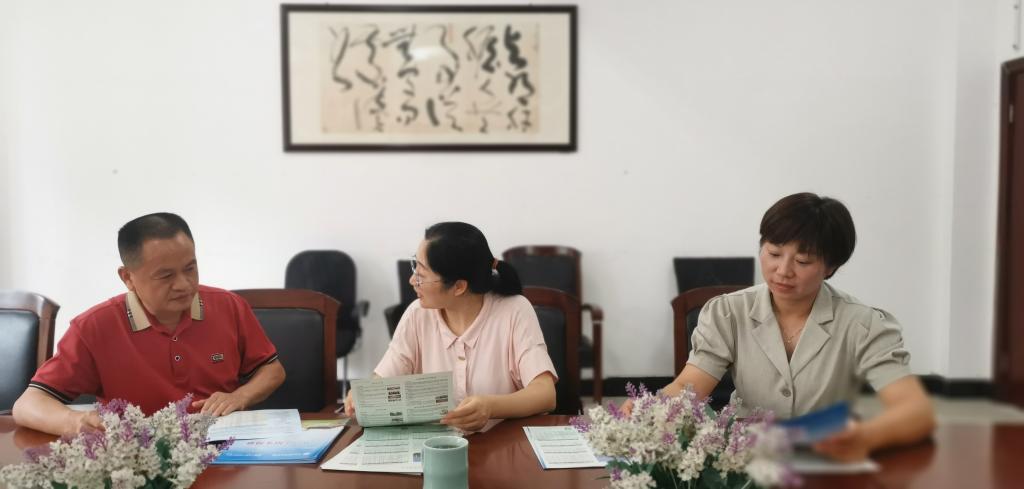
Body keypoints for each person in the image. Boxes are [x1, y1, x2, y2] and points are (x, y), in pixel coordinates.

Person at [626, 193, 935, 462]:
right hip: (744, 458)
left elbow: (916, 412)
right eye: (774, 253)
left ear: (831, 267)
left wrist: (866, 437)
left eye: (803, 261)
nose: (783, 270)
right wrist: (650, 408)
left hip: (827, 457)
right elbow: (689, 388)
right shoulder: (727, 312)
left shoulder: (863, 323)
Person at [12, 213, 286, 436]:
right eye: (165, 276)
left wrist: (240, 396)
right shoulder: (94, 327)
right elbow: (28, 404)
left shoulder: (229, 306)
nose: (184, 284)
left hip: (224, 449)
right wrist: (75, 422)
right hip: (139, 458)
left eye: (190, 268)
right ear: (127, 277)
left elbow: (272, 370)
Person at [345, 222, 557, 432]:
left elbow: (545, 394)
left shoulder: (514, 310)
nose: (411, 280)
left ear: (458, 287)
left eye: (421, 275)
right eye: (414, 266)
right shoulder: (417, 314)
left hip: (501, 445)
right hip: (434, 447)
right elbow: (386, 374)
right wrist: (364, 394)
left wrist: (491, 407)